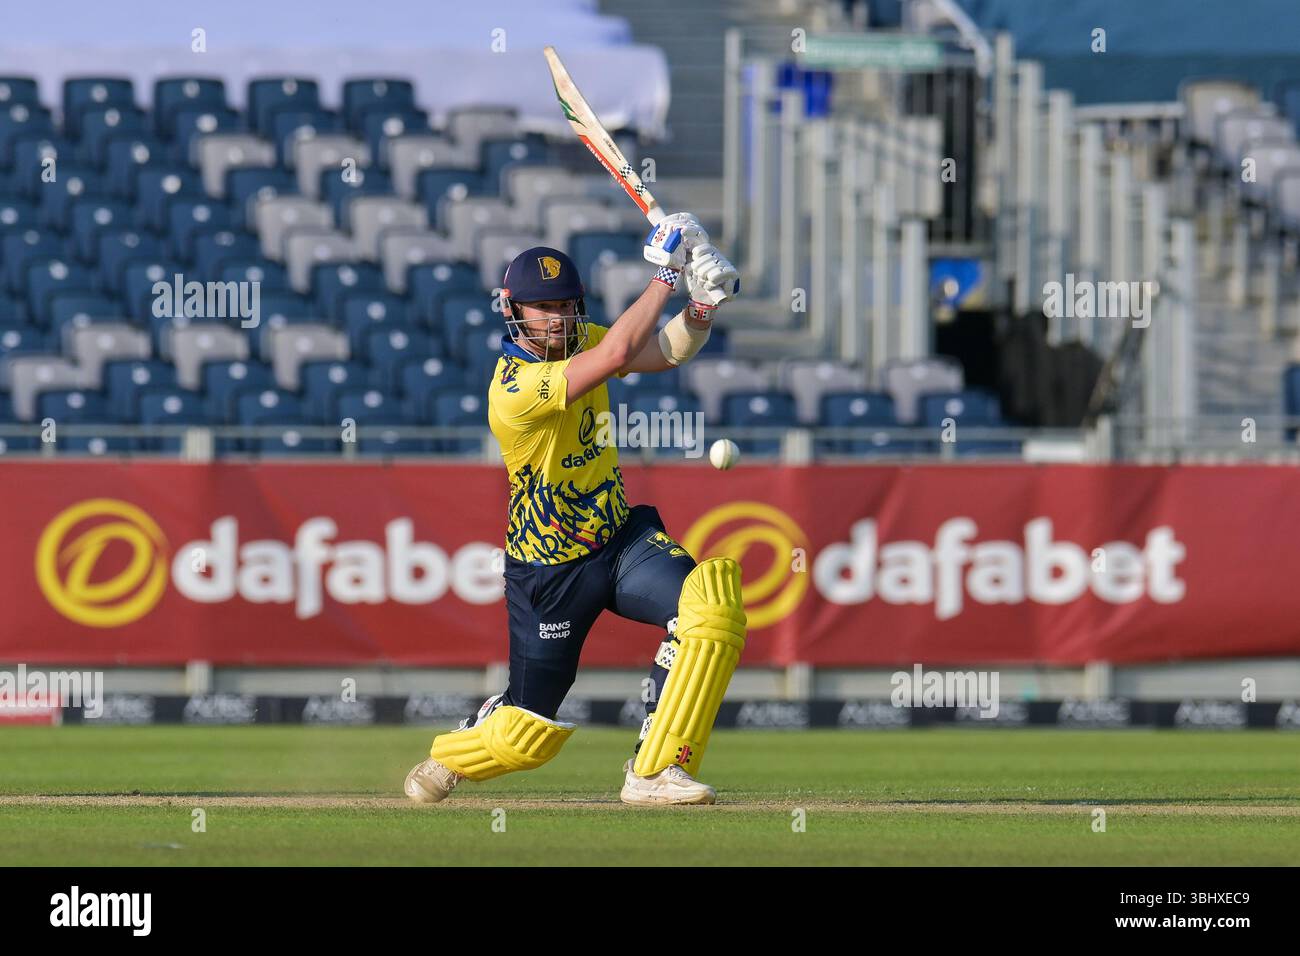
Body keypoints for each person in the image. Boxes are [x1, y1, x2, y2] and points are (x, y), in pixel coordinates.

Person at [405, 213, 745, 806]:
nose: (559, 319)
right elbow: (616, 355)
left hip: (618, 542)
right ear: (513, 311)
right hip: (549, 570)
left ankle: (655, 770)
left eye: (567, 306)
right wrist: (666, 272)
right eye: (545, 309)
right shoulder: (513, 391)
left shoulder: (581, 338)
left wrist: (702, 307)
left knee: (707, 607)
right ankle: (458, 748)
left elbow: (663, 353)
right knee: (526, 734)